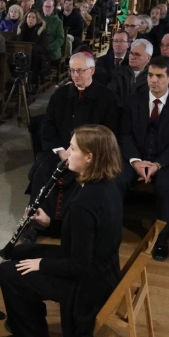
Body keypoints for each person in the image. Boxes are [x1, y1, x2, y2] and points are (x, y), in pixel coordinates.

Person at [0, 125, 123, 337]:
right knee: (18, 252)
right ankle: (26, 318)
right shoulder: (107, 185)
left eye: (73, 148)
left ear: (89, 157)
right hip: (101, 268)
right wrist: (48, 222)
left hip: (87, 284)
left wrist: (42, 264)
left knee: (8, 272)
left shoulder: (84, 203)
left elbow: (78, 265)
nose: (66, 152)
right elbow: (85, 233)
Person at [25, 53, 119, 235]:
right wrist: (61, 151)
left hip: (90, 155)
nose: (75, 75)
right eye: (72, 70)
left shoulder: (107, 97)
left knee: (82, 177)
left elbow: (107, 133)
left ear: (92, 70)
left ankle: (69, 228)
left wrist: (81, 154)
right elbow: (48, 125)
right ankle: (35, 223)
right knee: (42, 170)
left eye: (80, 70)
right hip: (60, 151)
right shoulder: (60, 95)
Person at [117, 56, 169, 260]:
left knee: (166, 187)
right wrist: (135, 161)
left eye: (159, 76)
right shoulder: (134, 99)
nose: (153, 80)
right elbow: (125, 134)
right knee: (115, 180)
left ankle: (161, 239)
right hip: (136, 158)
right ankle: (112, 231)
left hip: (165, 161)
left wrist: (159, 164)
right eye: (150, 75)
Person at [107, 38, 152, 106]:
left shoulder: (153, 77)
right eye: (131, 53)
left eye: (137, 54)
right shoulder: (117, 73)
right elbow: (111, 96)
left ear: (148, 58)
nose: (132, 57)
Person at [16, 10, 49, 82]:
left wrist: (31, 48)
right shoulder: (21, 29)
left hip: (37, 55)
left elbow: (44, 48)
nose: (30, 19)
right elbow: (18, 43)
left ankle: (33, 80)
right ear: (26, 19)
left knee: (35, 55)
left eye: (33, 18)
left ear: (37, 20)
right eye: (29, 17)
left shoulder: (41, 31)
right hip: (23, 53)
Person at [41, 0, 65, 68]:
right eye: (45, 6)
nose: (47, 9)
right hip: (40, 48)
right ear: (43, 7)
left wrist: (49, 47)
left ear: (53, 8)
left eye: (49, 7)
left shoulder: (58, 22)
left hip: (52, 50)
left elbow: (60, 39)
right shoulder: (38, 19)